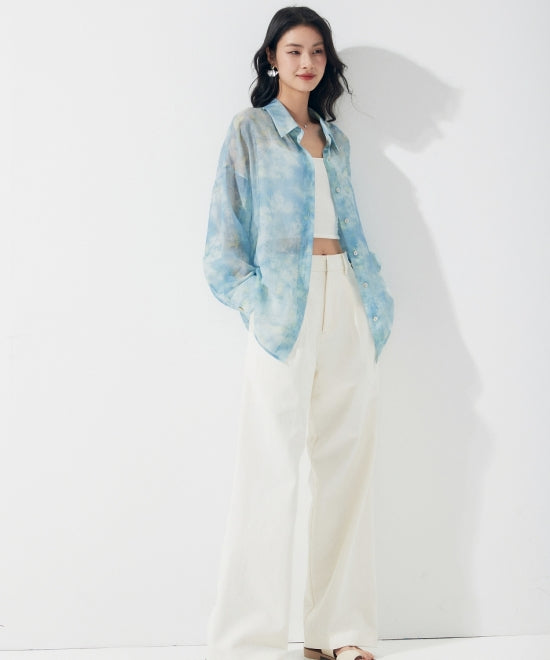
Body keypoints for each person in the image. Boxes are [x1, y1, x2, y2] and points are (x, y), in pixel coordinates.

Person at [203, 7, 394, 660]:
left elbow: (351, 224)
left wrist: (374, 301)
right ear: (271, 59)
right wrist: (256, 301)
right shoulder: (250, 130)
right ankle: (249, 640)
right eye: (294, 51)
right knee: (269, 467)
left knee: (345, 468)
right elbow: (222, 243)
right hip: (282, 307)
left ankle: (338, 633)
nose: (307, 62)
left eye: (317, 51)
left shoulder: (335, 140)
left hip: (347, 296)